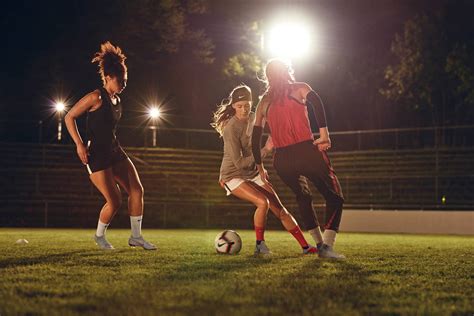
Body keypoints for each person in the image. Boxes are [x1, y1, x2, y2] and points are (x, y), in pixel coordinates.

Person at [65, 41, 156, 250]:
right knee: (114, 201)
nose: (124, 84)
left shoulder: (118, 101)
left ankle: (136, 237)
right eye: (121, 80)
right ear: (108, 78)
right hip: (96, 155)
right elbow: (69, 117)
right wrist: (79, 145)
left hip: (115, 151)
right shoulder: (95, 97)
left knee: (137, 190)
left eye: (126, 80)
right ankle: (99, 236)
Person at [251, 59, 345, 259]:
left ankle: (319, 244)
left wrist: (259, 166)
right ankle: (326, 247)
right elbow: (317, 102)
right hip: (306, 151)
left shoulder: (263, 103)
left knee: (303, 197)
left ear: (267, 77)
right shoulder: (300, 88)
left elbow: (255, 136)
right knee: (335, 197)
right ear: (287, 71)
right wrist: (324, 134)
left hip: (282, 160)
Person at [212, 84, 318, 256]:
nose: (244, 109)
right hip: (232, 175)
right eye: (240, 106)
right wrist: (266, 150)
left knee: (280, 210)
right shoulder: (231, 129)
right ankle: (260, 246)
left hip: (252, 172)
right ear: (233, 106)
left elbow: (275, 126)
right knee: (263, 202)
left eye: (247, 105)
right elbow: (239, 163)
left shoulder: (254, 117)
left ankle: (306, 247)